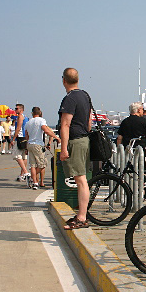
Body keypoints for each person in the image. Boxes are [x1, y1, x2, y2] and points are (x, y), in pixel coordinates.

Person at [58, 67, 93, 230]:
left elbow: (65, 124)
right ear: (77, 79)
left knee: (80, 180)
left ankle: (82, 217)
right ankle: (81, 215)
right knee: (81, 179)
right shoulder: (85, 96)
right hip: (84, 139)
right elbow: (89, 122)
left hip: (76, 141)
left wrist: (64, 148)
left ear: (64, 80)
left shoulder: (70, 99)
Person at [25, 107, 60, 189]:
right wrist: (56, 137)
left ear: (32, 113)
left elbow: (26, 135)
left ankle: (34, 182)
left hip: (30, 143)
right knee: (43, 164)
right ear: (40, 113)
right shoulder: (41, 120)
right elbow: (46, 130)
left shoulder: (28, 122)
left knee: (33, 165)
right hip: (38, 144)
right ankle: (31, 178)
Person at [11, 104, 30, 181]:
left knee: (17, 155)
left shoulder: (20, 117)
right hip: (25, 137)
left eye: (16, 109)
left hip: (20, 137)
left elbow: (18, 128)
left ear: (21, 109)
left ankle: (25, 172)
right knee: (23, 156)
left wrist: (13, 139)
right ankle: (22, 174)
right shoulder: (26, 117)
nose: (15, 110)